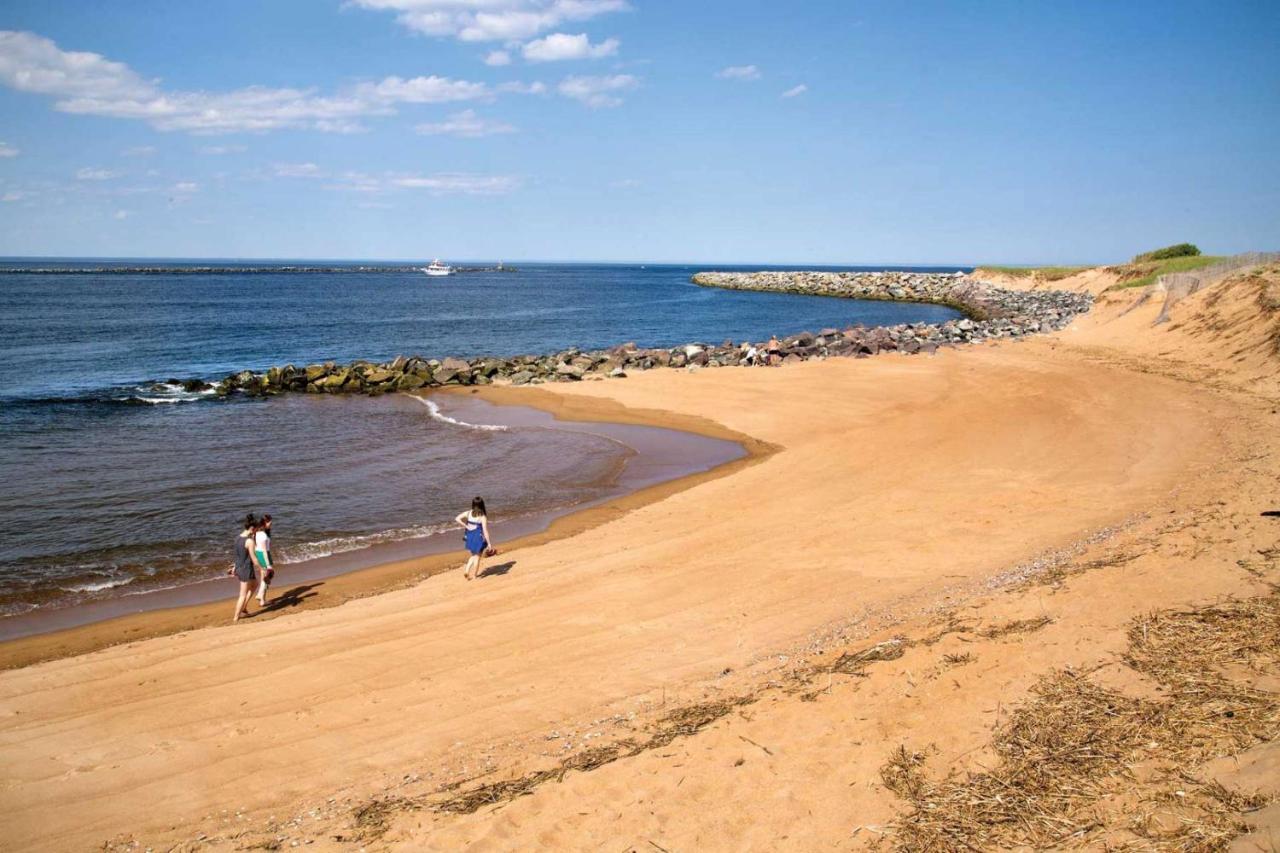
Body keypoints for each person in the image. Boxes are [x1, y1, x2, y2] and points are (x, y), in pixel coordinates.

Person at [455, 496, 494, 581]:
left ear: (473, 504)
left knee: (473, 555)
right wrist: (489, 543)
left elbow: (457, 518)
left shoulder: (468, 513)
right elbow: (485, 531)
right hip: (478, 537)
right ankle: (475, 576)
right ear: (482, 505)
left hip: (469, 536)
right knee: (477, 557)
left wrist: (466, 526)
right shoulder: (482, 517)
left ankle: (466, 571)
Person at [230, 514, 259, 621]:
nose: (256, 532)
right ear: (252, 528)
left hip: (240, 567)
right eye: (256, 530)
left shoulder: (238, 538)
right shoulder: (249, 541)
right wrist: (262, 569)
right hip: (245, 570)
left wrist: (234, 567)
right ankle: (236, 618)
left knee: (255, 584)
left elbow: (238, 555)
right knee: (242, 594)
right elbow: (254, 559)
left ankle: (244, 608)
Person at [254, 514, 274, 606]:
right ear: (264, 523)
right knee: (268, 575)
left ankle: (262, 600)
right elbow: (265, 550)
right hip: (264, 555)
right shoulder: (263, 535)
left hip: (259, 553)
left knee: (264, 575)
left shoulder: (257, 533)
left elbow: (256, 546)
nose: (271, 523)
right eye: (269, 522)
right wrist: (268, 565)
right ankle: (260, 594)